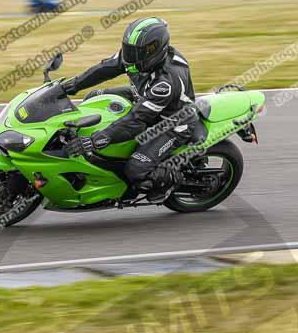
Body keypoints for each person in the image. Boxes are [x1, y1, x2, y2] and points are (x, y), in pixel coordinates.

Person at [61, 17, 200, 203]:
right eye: (128, 50)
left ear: (154, 49)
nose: (130, 57)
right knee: (94, 96)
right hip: (143, 97)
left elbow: (137, 120)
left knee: (135, 168)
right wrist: (70, 86)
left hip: (172, 123)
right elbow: (103, 69)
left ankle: (167, 181)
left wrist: (97, 139)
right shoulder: (135, 58)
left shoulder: (165, 83)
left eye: (136, 52)